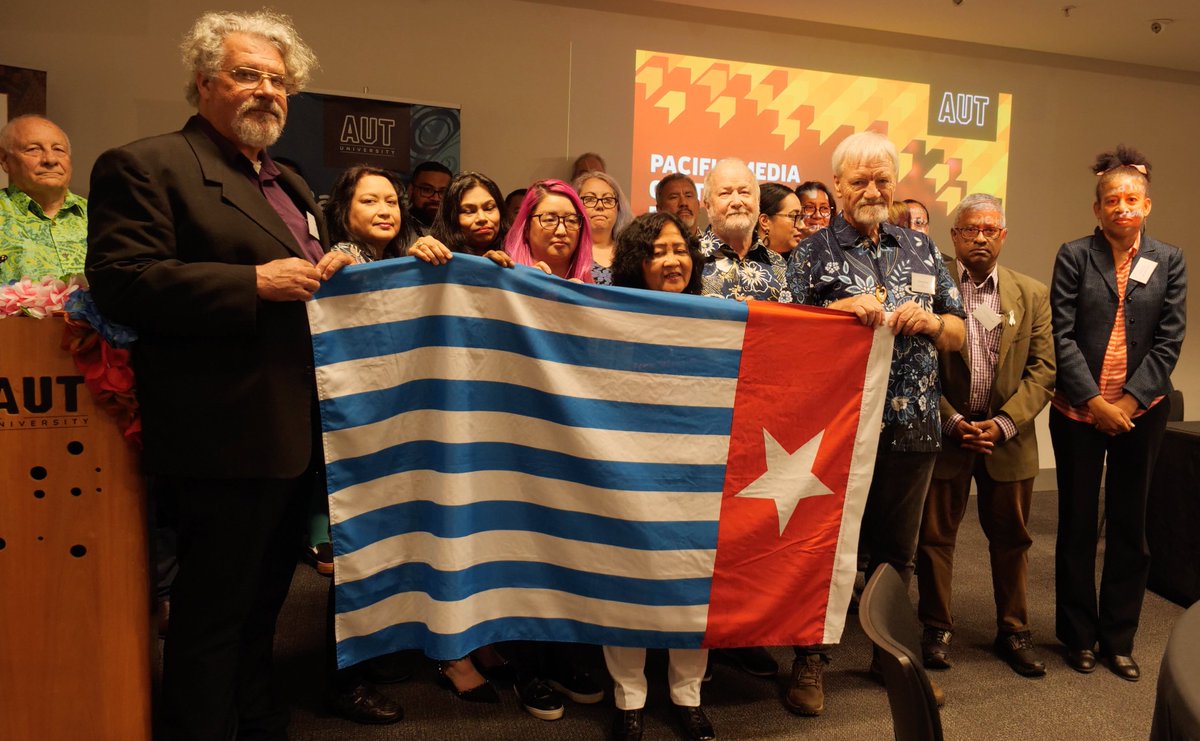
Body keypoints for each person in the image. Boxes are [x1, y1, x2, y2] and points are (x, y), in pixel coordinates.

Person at [85, 11, 401, 737]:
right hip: (221, 433)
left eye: (279, 81)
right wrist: (249, 282)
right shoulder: (146, 164)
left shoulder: (288, 180)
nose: (267, 91)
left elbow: (308, 283)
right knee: (210, 614)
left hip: (297, 429)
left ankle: (258, 717)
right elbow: (121, 281)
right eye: (247, 75)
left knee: (264, 603)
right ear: (203, 82)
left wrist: (337, 268)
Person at [784, 130, 965, 716]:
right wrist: (833, 313)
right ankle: (809, 663)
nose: (871, 189)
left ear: (895, 183)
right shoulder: (809, 253)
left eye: (881, 179)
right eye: (858, 179)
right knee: (825, 548)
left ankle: (891, 659)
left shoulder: (921, 248)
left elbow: (961, 333)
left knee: (896, 554)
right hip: (836, 432)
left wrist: (934, 323)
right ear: (836, 186)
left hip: (912, 427)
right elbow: (781, 334)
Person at [1049, 145, 1186, 682]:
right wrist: (1095, 402)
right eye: (1113, 200)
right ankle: (1078, 637)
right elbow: (1060, 335)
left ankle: (1118, 638)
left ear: (1147, 205)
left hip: (1141, 411)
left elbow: (1170, 338)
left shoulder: (1169, 259)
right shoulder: (1074, 255)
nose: (1122, 208)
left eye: (1132, 199)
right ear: (1097, 208)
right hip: (1079, 411)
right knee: (1078, 524)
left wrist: (1127, 403)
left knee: (1131, 526)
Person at [914, 194, 1055, 678]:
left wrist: (1003, 424)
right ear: (953, 236)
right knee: (934, 539)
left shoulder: (1031, 294)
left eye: (990, 230)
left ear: (1003, 237)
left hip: (1007, 439)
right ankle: (935, 627)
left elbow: (1043, 370)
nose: (980, 237)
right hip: (947, 433)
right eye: (970, 229)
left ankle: (1014, 629)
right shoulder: (931, 291)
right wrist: (953, 421)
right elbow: (916, 367)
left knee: (1013, 539)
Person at [605, 211, 714, 741]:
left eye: (679, 250)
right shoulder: (607, 313)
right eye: (656, 252)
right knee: (626, 574)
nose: (672, 261)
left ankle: (687, 695)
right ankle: (629, 698)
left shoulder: (719, 315)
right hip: (626, 465)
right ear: (634, 263)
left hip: (697, 469)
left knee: (694, 575)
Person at [0, 115, 87, 283]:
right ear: (4, 160)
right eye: (34, 149)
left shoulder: (101, 217)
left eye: (59, 150)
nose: (50, 159)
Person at [698, 158, 786, 303]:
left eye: (744, 192)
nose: (737, 202)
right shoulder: (690, 259)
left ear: (757, 202)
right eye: (725, 193)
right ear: (708, 205)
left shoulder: (780, 265)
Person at [325, 165, 421, 263]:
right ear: (343, 209)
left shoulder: (390, 257)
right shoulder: (341, 260)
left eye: (391, 202)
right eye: (370, 201)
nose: (385, 211)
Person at [505, 179, 594, 282]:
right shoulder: (507, 281)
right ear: (526, 228)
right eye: (549, 220)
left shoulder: (590, 291)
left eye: (571, 221)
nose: (561, 231)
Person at [573, 169, 631, 284]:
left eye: (608, 200)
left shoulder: (631, 251)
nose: (600, 206)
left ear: (618, 208)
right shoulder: (569, 251)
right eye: (589, 199)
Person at [756, 182, 804, 255]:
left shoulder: (801, 262)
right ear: (765, 221)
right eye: (794, 217)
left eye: (801, 218)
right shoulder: (739, 264)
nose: (802, 226)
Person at [407, 160, 452, 234]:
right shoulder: (397, 229)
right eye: (427, 190)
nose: (436, 198)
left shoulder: (458, 231)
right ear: (411, 190)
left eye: (443, 192)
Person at [656, 172, 701, 237]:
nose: (683, 203)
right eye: (674, 197)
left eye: (688, 196)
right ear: (659, 209)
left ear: (698, 205)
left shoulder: (717, 245)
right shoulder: (649, 245)